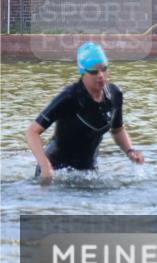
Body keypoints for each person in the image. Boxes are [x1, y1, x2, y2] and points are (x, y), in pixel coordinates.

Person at [25, 42, 144, 182]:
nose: (100, 75)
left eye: (104, 69)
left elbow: (117, 130)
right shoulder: (69, 98)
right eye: (94, 71)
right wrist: (45, 167)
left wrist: (130, 151)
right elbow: (32, 132)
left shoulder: (114, 94)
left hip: (88, 172)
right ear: (82, 72)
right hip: (57, 171)